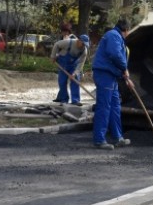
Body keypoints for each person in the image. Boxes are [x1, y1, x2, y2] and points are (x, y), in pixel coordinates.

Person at [91, 19, 133, 150]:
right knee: (104, 107)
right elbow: (115, 55)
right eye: (128, 32)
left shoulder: (116, 37)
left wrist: (124, 75)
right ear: (125, 30)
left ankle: (117, 137)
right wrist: (125, 69)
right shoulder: (113, 35)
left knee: (115, 106)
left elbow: (116, 57)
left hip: (112, 76)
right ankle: (99, 139)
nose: (128, 34)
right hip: (104, 75)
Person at [50, 34, 90, 106]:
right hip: (63, 64)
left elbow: (81, 64)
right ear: (79, 40)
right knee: (62, 82)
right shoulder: (68, 42)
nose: (83, 46)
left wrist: (75, 73)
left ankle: (75, 100)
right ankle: (64, 99)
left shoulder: (84, 51)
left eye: (85, 44)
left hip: (73, 65)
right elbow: (56, 45)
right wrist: (53, 56)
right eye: (82, 43)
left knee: (75, 80)